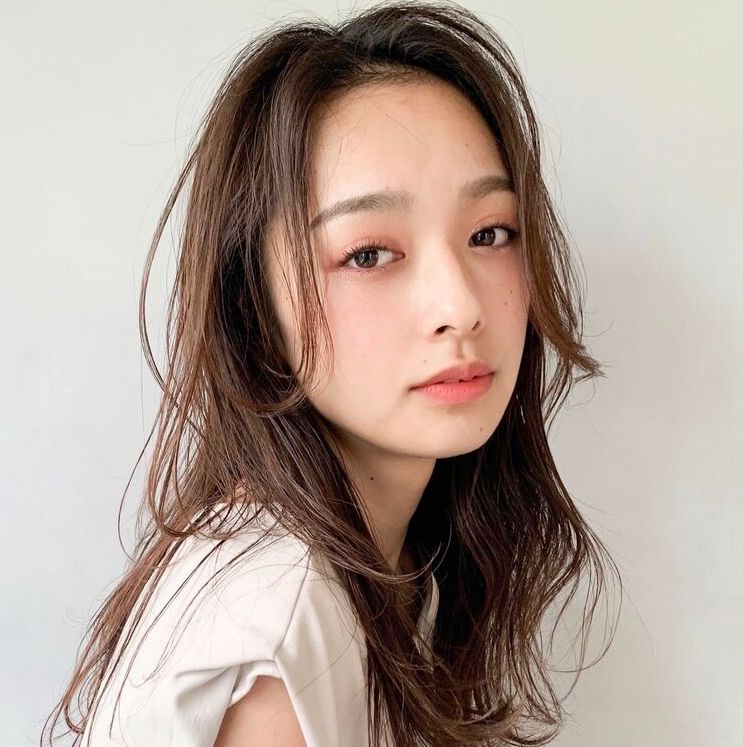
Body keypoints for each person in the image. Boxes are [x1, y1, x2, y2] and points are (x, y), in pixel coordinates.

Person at [40, 1, 621, 745]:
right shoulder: (278, 630)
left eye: (489, 233)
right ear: (254, 305)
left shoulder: (397, 563)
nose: (459, 306)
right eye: (369, 253)